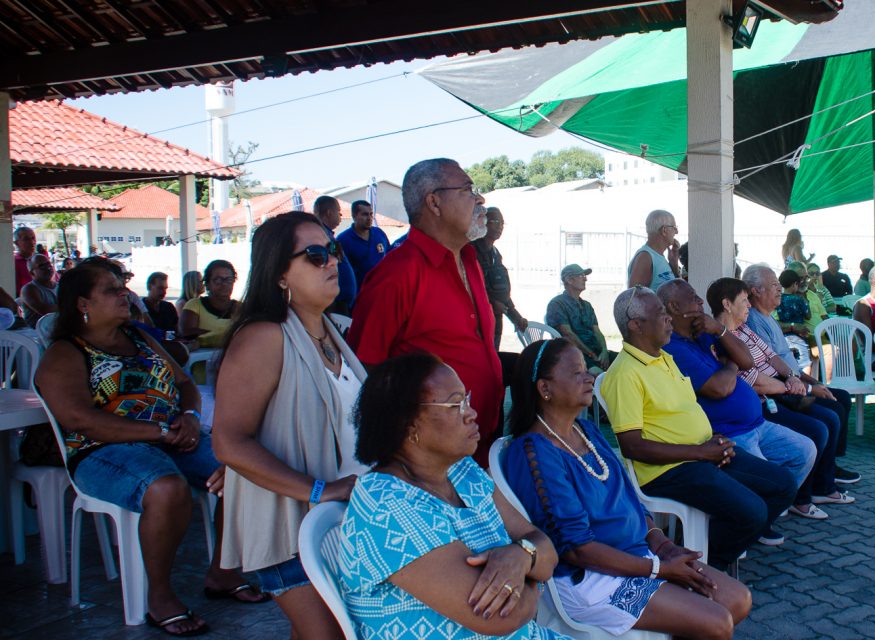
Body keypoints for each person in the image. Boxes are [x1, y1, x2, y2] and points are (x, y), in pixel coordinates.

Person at [35, 263, 265, 637]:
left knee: (242, 466)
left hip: (171, 437)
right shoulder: (66, 352)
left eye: (122, 286)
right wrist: (159, 432)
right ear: (82, 303)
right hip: (103, 450)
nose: (124, 293)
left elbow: (185, 383)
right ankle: (159, 596)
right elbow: (80, 420)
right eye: (111, 290)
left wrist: (190, 416)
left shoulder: (139, 338)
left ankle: (223, 571)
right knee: (167, 488)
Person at [502, 339, 751, 638]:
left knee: (737, 599)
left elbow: (629, 498)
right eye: (576, 373)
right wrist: (658, 569)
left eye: (586, 370)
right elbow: (578, 550)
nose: (589, 378)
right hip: (594, 578)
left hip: (639, 554)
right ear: (545, 388)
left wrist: (662, 544)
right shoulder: (535, 452)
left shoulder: (586, 431)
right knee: (717, 622)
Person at [212, 213, 366, 638]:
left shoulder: (331, 331)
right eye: (315, 255)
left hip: (338, 525)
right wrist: (323, 489)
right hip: (288, 526)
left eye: (332, 250)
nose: (332, 261)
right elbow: (228, 441)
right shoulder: (265, 336)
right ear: (280, 274)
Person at [339, 353, 565, 640]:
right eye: (455, 404)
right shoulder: (386, 505)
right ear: (408, 425)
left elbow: (541, 542)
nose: (471, 413)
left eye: (466, 400)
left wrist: (522, 555)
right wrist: (533, 572)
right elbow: (496, 617)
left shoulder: (462, 472)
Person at [600, 287, 795, 568]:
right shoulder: (625, 374)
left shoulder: (663, 357)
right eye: (660, 313)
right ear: (636, 324)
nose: (668, 319)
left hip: (703, 452)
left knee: (782, 485)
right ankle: (704, 569)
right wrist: (701, 452)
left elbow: (684, 411)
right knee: (752, 511)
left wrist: (710, 441)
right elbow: (632, 446)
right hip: (670, 469)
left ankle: (708, 556)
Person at [348, 158, 505, 466]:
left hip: (480, 443)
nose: (480, 198)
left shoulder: (470, 260)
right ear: (434, 201)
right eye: (468, 189)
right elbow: (364, 370)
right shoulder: (397, 274)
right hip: (431, 459)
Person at [659, 280, 829, 526]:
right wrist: (730, 364)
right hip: (728, 432)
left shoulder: (703, 336)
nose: (700, 302)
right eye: (693, 297)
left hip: (756, 423)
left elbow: (747, 360)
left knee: (804, 450)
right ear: (674, 307)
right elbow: (720, 388)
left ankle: (762, 515)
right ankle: (751, 521)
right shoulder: (674, 347)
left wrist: (719, 330)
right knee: (772, 479)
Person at [707, 276, 857, 518]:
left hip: (777, 393)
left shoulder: (744, 328)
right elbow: (750, 379)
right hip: (763, 404)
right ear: (727, 304)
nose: (748, 306)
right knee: (818, 428)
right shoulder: (718, 340)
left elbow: (771, 356)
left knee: (832, 411)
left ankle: (798, 492)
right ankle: (798, 498)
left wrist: (792, 377)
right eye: (744, 301)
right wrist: (793, 388)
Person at [742, 265, 861, 482]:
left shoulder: (768, 317)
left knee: (841, 397)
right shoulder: (753, 321)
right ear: (755, 290)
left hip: (791, 379)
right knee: (830, 415)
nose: (780, 289)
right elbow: (769, 368)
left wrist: (811, 380)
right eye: (774, 285)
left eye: (779, 284)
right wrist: (805, 386)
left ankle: (829, 463)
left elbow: (782, 359)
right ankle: (822, 478)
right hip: (778, 390)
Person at [472, 207, 528, 348]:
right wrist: (490, 304)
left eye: (502, 223)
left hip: (495, 321)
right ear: (483, 222)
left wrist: (516, 317)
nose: (500, 226)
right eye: (495, 221)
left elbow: (500, 292)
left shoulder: (495, 254)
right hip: (478, 322)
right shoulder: (471, 251)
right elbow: (469, 287)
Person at [546, 264, 613, 375]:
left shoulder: (587, 305)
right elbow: (568, 335)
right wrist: (591, 354)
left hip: (596, 354)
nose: (585, 278)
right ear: (569, 280)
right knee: (599, 375)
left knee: (627, 366)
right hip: (574, 355)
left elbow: (597, 332)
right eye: (581, 275)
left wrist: (604, 351)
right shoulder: (557, 304)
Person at [179, 260, 240, 349]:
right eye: (218, 280)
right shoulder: (195, 305)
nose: (224, 284)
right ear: (207, 284)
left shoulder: (240, 308)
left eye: (229, 280)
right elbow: (186, 332)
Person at [313, 195, 358, 314]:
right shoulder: (320, 236)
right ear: (329, 213)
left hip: (341, 302)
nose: (341, 216)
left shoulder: (328, 234)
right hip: (334, 304)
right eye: (338, 212)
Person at [336, 199, 391, 286]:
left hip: (382, 289)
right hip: (359, 294)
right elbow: (340, 270)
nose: (369, 218)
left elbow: (389, 257)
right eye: (365, 214)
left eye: (371, 214)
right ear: (354, 216)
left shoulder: (379, 233)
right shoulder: (343, 240)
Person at [627, 209, 680, 290]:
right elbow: (634, 298)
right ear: (664, 230)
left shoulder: (658, 256)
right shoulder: (645, 257)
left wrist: (674, 264)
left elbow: (676, 288)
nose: (676, 232)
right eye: (674, 227)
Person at [19, 253, 57, 324]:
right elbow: (44, 310)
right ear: (32, 273)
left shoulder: (60, 285)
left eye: (48, 264)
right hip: (36, 332)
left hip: (59, 328)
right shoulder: (29, 289)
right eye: (42, 266)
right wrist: (69, 306)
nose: (48, 268)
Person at [775, 269, 811, 340]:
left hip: (784, 335)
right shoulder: (799, 299)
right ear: (795, 284)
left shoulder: (778, 299)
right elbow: (808, 316)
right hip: (800, 334)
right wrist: (806, 301)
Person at [13, 226, 36, 291]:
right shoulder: (14, 263)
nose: (32, 242)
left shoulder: (41, 260)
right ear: (17, 243)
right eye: (26, 239)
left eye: (33, 238)